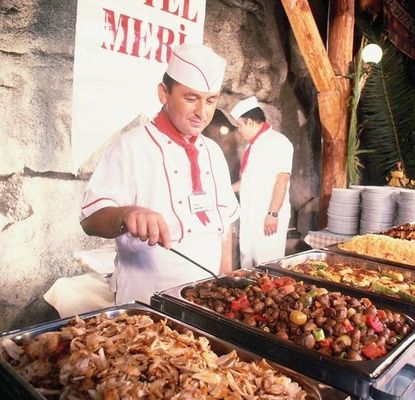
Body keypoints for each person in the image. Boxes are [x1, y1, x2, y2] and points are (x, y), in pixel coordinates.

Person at [80, 43, 240, 304]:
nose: (203, 112)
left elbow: (224, 225)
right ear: (163, 93)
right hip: (147, 299)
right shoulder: (130, 146)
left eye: (211, 101)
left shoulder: (213, 151)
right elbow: (90, 221)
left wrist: (226, 278)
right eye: (191, 99)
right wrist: (125, 214)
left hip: (208, 297)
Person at [230, 96, 294, 268]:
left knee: (267, 265)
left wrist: (273, 214)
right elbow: (248, 181)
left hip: (267, 217)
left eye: (240, 125)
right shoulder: (253, 146)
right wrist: (224, 190)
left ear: (250, 122)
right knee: (247, 264)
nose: (239, 131)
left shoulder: (278, 142)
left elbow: (282, 179)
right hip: (250, 215)